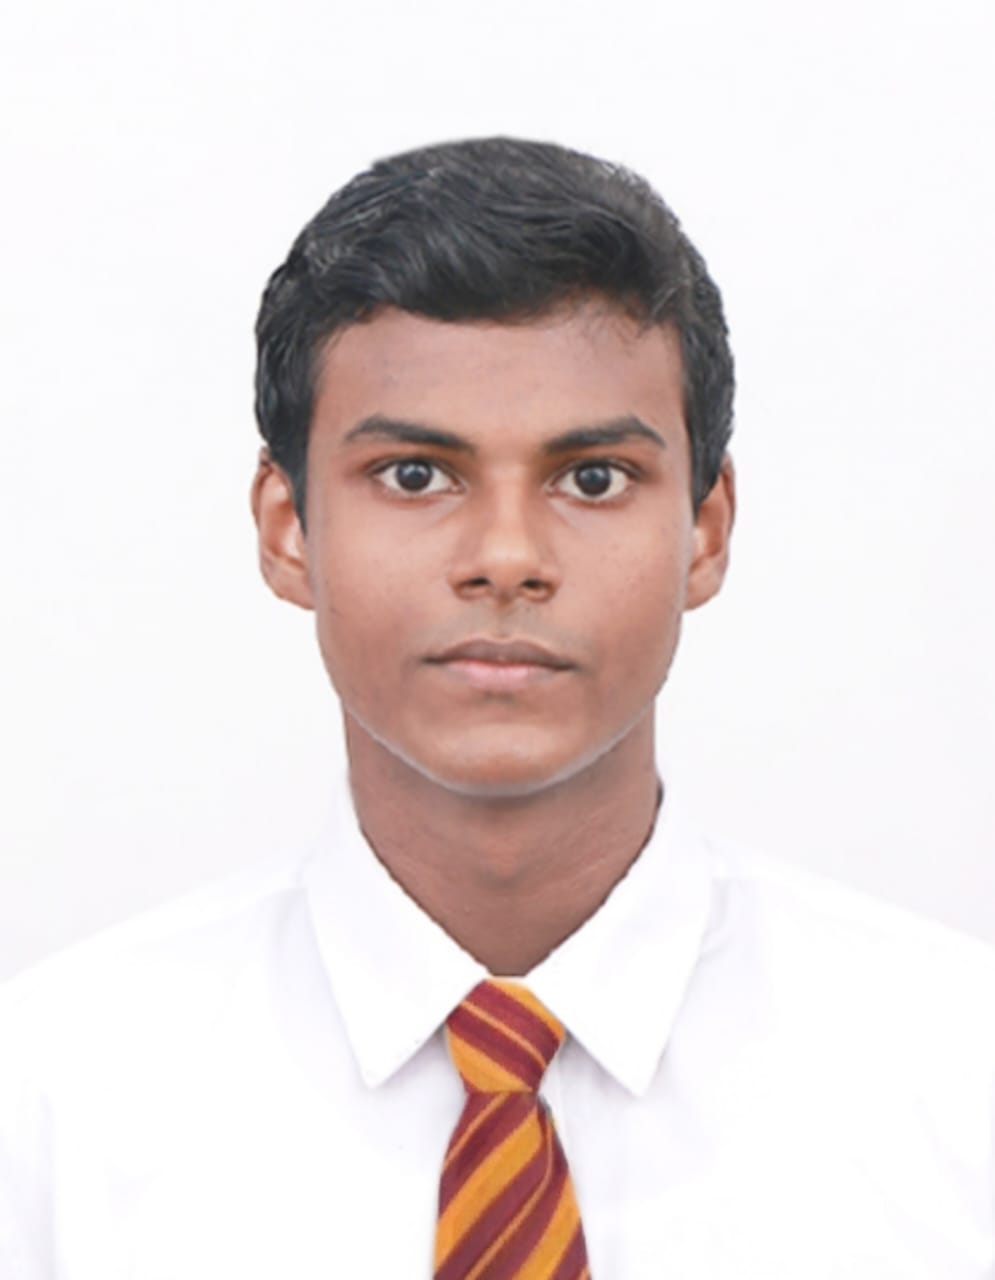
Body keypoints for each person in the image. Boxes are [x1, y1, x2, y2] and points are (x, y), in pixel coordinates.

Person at [1, 137, 992, 1279]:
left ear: (705, 530)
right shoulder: (48, 1104)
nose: (507, 557)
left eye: (593, 478)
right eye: (415, 475)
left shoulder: (961, 1080)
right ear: (286, 527)